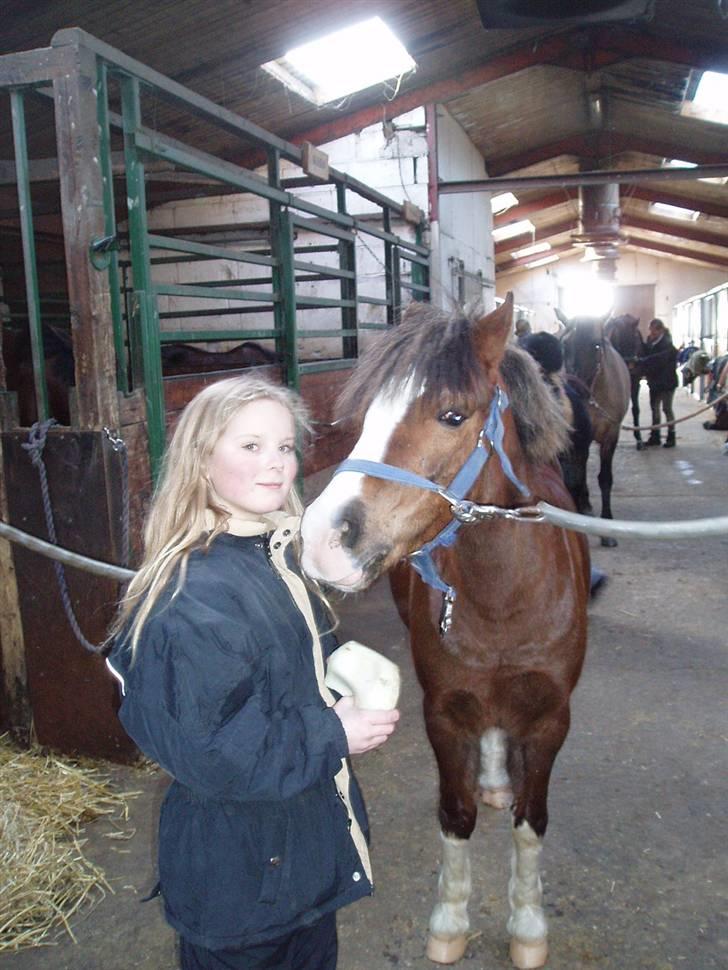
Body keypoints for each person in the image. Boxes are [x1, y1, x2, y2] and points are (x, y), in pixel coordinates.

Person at [106, 375, 399, 970]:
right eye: (250, 446)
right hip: (243, 888)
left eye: (286, 447)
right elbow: (212, 754)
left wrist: (338, 680)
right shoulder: (192, 601)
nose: (277, 466)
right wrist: (333, 734)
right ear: (201, 460)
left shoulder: (272, 556)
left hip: (295, 866)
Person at [641, 318, 678, 448]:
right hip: (655, 382)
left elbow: (657, 360)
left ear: (660, 330)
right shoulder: (651, 342)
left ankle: (671, 436)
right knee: (654, 409)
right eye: (650, 331)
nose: (651, 334)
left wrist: (641, 361)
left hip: (667, 383)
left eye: (654, 332)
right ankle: (655, 435)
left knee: (667, 409)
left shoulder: (667, 345)